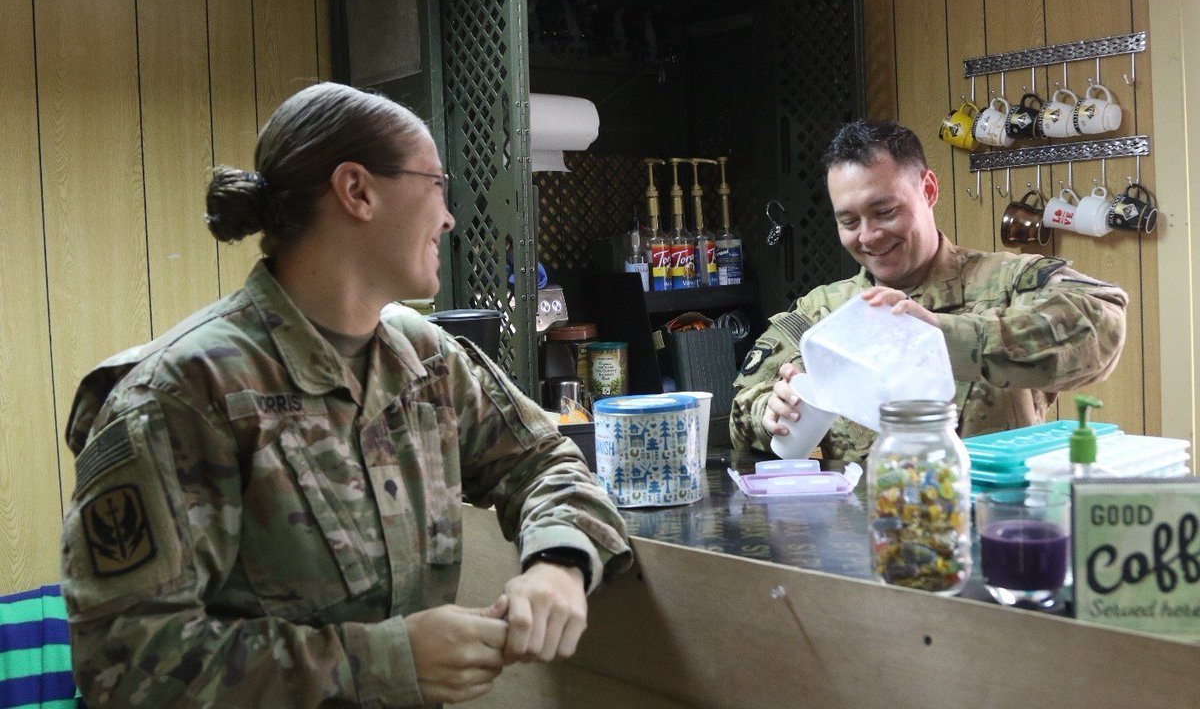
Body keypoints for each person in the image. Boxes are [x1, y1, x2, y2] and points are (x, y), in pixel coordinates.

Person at [60, 82, 631, 707]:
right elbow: (128, 665)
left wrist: (559, 561)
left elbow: (542, 460)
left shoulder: (427, 360)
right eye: (436, 185)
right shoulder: (180, 394)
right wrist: (382, 663)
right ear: (357, 191)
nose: (449, 216)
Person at [729, 120, 1128, 469]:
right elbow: (742, 409)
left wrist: (942, 335)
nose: (868, 236)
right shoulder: (823, 312)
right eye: (849, 221)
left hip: (994, 525)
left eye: (885, 212)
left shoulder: (1008, 280)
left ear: (929, 189)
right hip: (868, 535)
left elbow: (1102, 321)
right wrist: (771, 411)